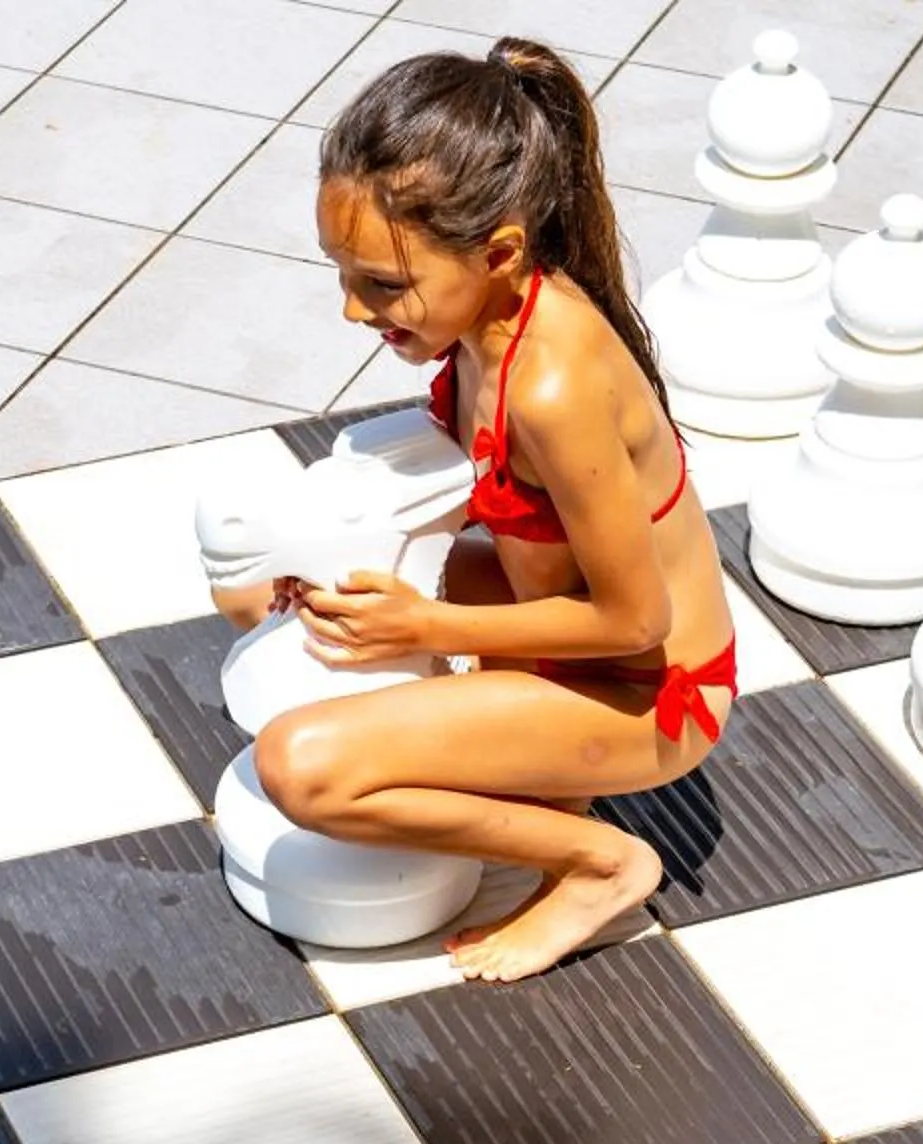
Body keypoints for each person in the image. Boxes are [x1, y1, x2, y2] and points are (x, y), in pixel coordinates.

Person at [215, 36, 739, 984]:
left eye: (383, 284)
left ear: (498, 252)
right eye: (342, 273)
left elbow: (636, 620)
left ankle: (600, 863)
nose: (353, 310)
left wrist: (424, 626)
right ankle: (538, 783)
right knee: (275, 599)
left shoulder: (553, 387)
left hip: (652, 692)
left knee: (300, 768)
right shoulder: (485, 325)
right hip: (565, 640)